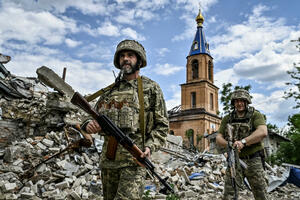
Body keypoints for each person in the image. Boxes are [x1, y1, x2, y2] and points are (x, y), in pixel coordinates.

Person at [82, 39, 169, 200]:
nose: (125, 59)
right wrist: (88, 125)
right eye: (122, 56)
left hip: (135, 162)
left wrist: (149, 147)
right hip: (109, 163)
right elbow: (87, 116)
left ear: (139, 60)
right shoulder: (109, 91)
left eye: (130, 55)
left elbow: (162, 126)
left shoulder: (151, 89)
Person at [216, 89, 268, 200]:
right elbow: (218, 138)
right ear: (233, 103)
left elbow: (263, 132)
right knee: (229, 194)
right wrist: (228, 145)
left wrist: (243, 142)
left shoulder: (256, 115)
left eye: (242, 101)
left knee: (261, 194)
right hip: (234, 160)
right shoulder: (228, 118)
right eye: (236, 101)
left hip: (253, 160)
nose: (239, 104)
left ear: (247, 102)